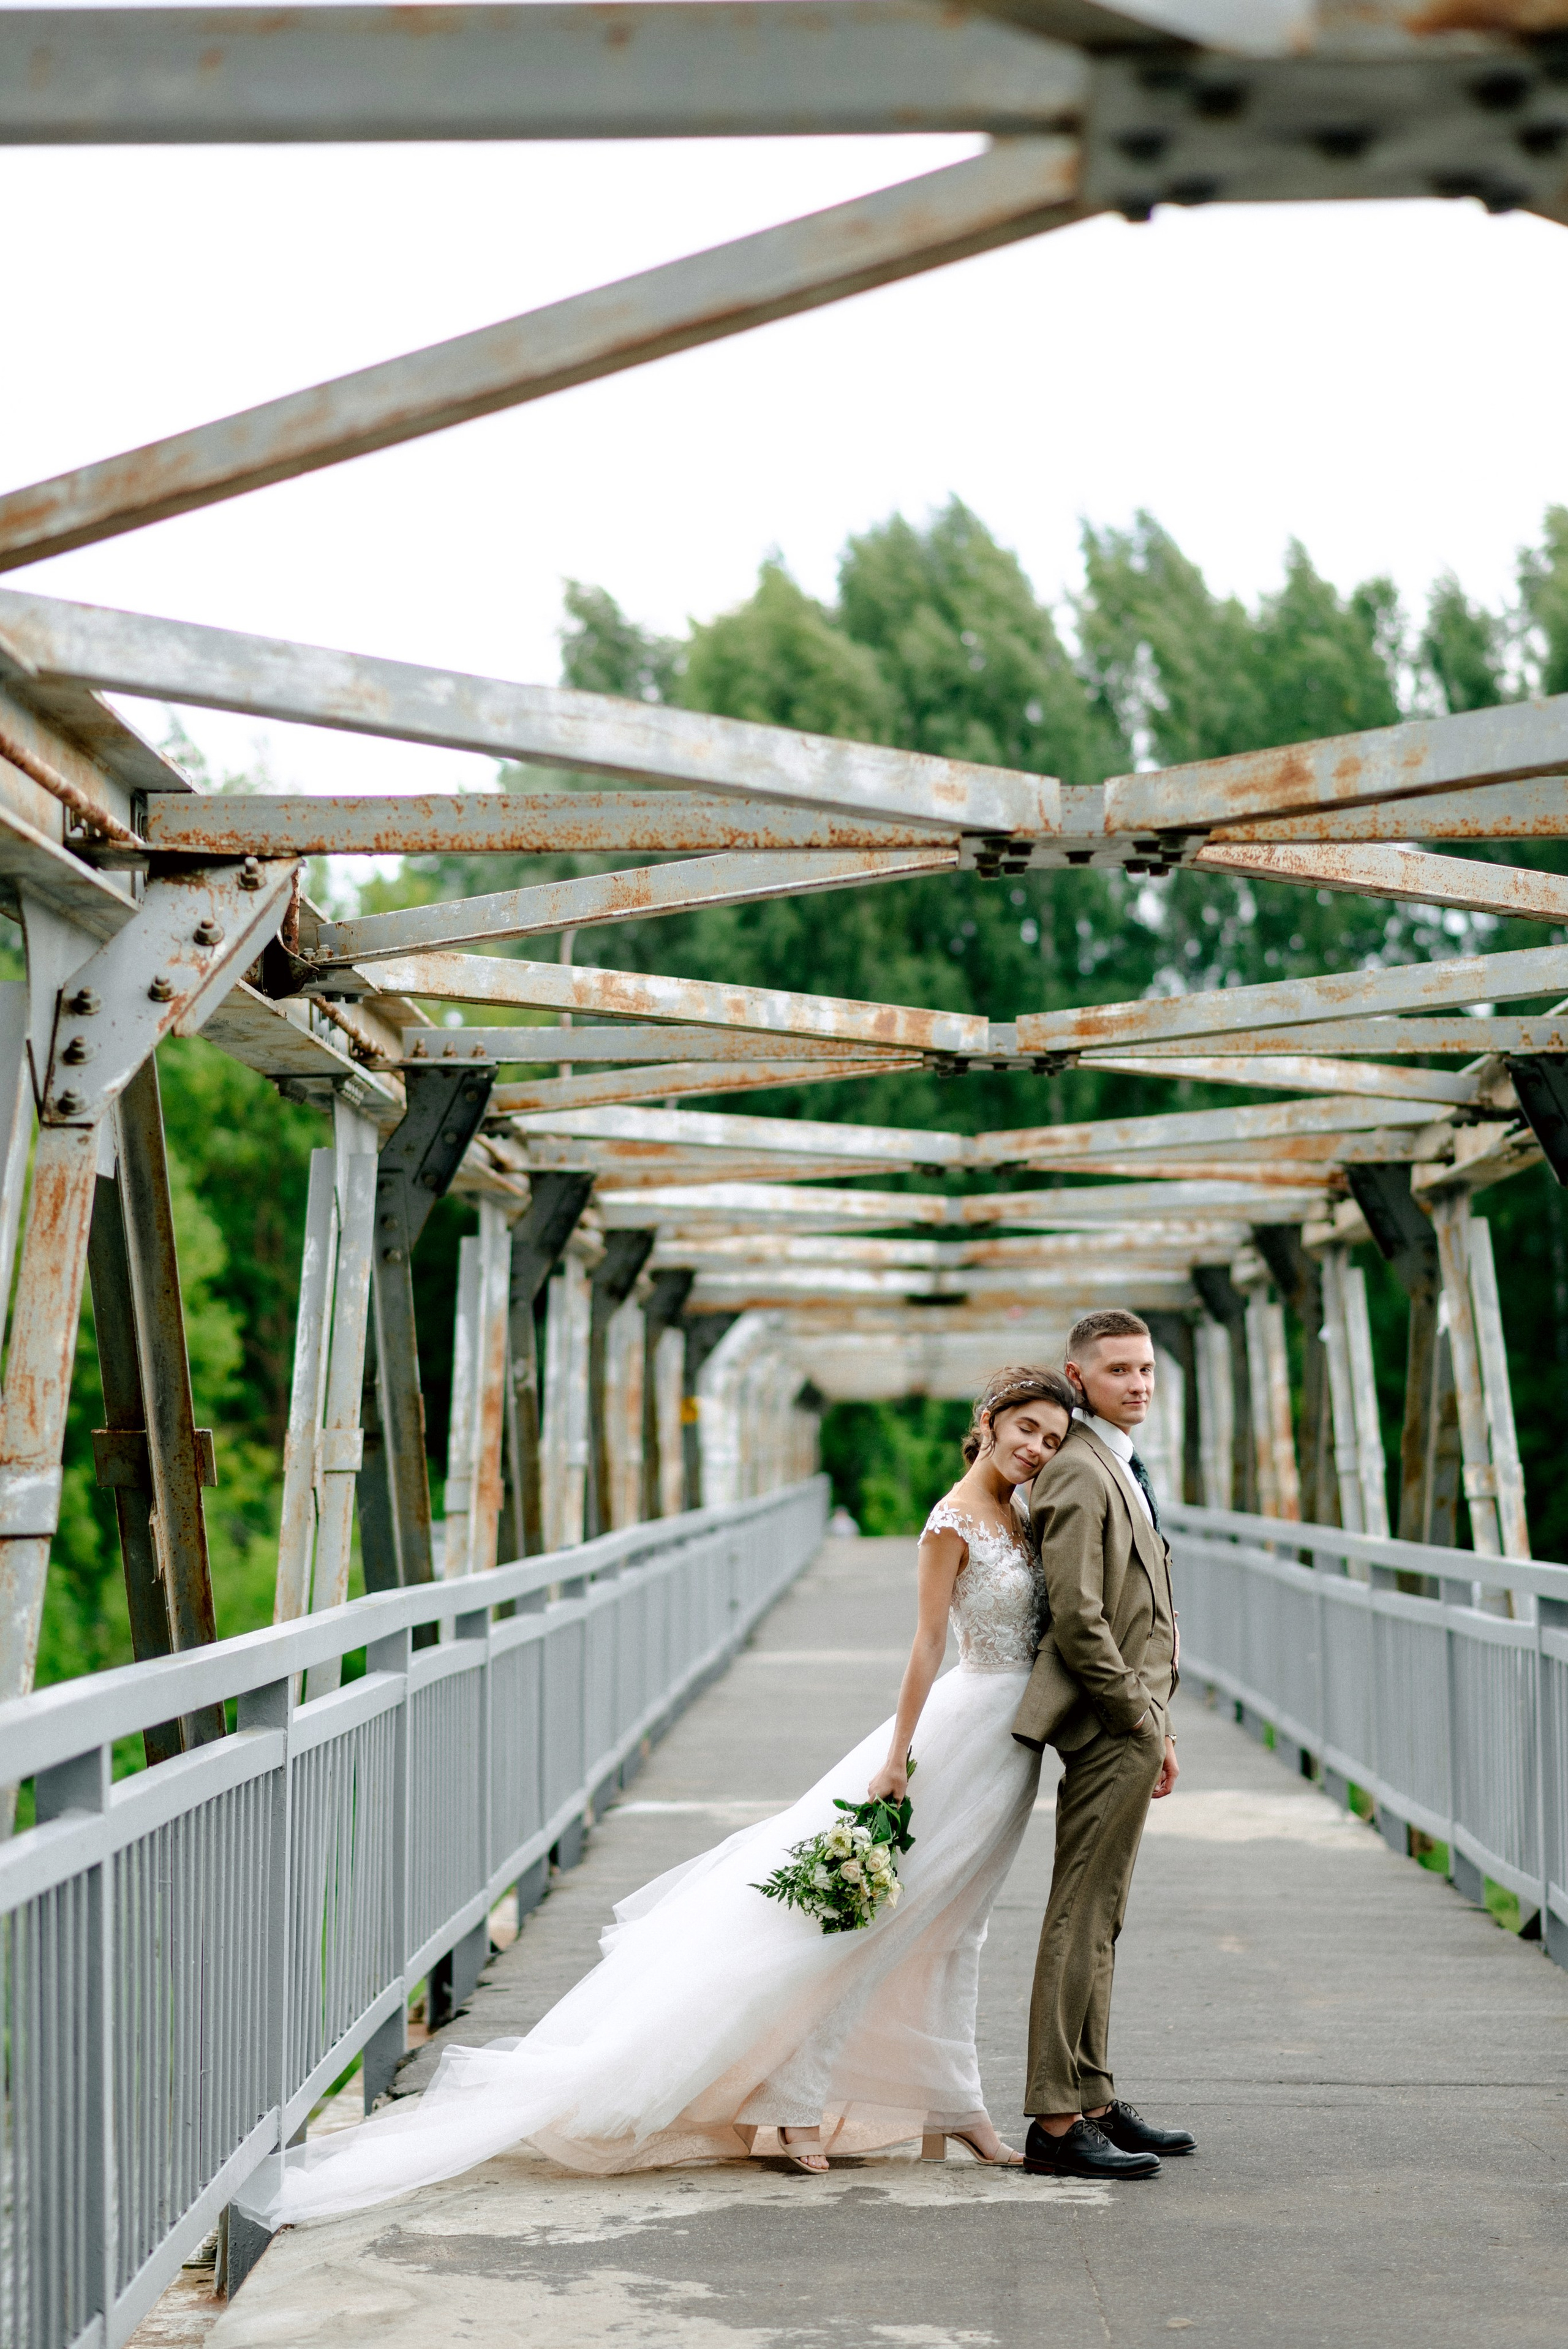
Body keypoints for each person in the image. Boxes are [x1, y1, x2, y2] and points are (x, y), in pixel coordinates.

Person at [250, 1365, 1076, 2223]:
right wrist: (898, 1757)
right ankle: (793, 2099)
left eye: (1053, 1440)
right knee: (871, 1924)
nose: (1038, 1449)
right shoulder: (952, 1522)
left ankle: (956, 2105)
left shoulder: (1023, 1516)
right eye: (1027, 1430)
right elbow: (926, 1645)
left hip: (1009, 1749)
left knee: (958, 1928)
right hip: (954, 1734)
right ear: (989, 1420)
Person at [1011, 1309, 1195, 2182]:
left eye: (1148, 1369)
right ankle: (1055, 2124)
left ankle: (1090, 2094)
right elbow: (1078, 1616)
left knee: (1102, 1916)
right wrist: (1138, 1717)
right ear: (1077, 1378)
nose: (1139, 1385)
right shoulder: (1081, 1472)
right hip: (1108, 1719)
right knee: (1079, 1913)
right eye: (1119, 1371)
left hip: (1133, 1718)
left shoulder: (1113, 1462)